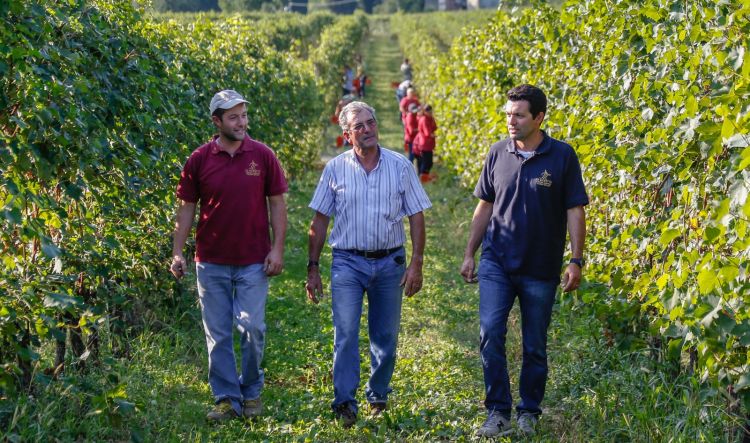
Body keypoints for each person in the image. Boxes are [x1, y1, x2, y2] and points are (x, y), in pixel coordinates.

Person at [459, 85, 588, 437]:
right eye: (507, 114)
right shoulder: (497, 153)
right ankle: (497, 411)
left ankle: (529, 410)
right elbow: (485, 204)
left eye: (518, 115)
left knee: (534, 345)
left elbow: (575, 209)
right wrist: (470, 252)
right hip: (497, 262)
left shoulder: (562, 156)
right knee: (489, 334)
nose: (510, 121)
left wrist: (576, 259)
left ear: (539, 117)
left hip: (541, 268)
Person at [305, 101, 432, 428]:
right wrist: (313, 266)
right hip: (347, 262)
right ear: (347, 134)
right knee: (345, 333)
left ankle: (377, 394)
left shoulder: (400, 166)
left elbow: (416, 214)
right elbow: (320, 220)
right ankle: (344, 401)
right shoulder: (335, 169)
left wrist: (416, 263)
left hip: (389, 262)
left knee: (385, 335)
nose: (367, 129)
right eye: (358, 126)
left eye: (370, 122)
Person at [170, 89, 288, 422]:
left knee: (252, 328)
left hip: (253, 260)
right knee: (218, 334)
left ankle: (250, 391)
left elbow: (277, 203)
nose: (241, 122)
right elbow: (186, 209)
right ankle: (226, 397)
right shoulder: (199, 160)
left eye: (244, 115)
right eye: (233, 117)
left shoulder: (262, 156)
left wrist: (277, 248)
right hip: (211, 261)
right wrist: (178, 252)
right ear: (217, 121)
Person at [412, 104, 437, 183]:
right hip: (424, 144)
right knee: (427, 162)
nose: (430, 112)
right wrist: (435, 135)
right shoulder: (424, 119)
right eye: (428, 111)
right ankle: (423, 179)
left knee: (428, 162)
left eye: (430, 111)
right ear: (425, 111)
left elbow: (435, 127)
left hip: (429, 144)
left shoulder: (430, 118)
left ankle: (423, 178)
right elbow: (427, 133)